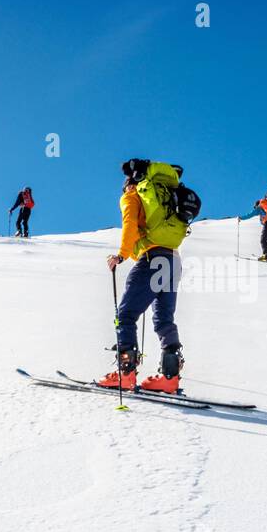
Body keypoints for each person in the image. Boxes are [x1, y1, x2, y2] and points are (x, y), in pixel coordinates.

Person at [98, 159, 185, 392]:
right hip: (173, 260)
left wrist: (121, 255)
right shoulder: (162, 194)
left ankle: (125, 374)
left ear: (128, 185)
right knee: (164, 318)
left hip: (153, 258)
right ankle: (170, 378)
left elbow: (129, 225)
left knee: (125, 314)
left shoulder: (131, 196)